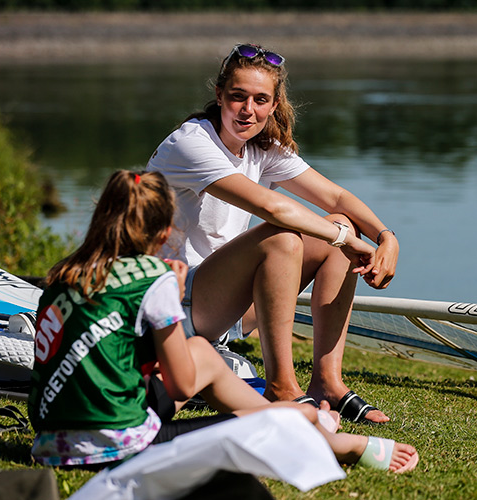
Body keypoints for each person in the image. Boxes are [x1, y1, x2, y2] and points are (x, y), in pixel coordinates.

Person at [27, 170, 417, 474]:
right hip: (115, 447)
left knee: (200, 352)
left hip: (47, 441)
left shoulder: (64, 275)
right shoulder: (153, 277)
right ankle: (341, 443)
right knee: (282, 412)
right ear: (165, 232)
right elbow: (181, 381)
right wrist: (169, 301)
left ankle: (293, 412)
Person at [147, 43, 400, 424]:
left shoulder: (262, 147)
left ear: (274, 104)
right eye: (238, 97)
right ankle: (283, 386)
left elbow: (336, 196)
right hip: (173, 305)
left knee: (340, 225)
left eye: (260, 100)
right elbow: (272, 208)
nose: (248, 110)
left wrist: (385, 236)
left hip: (223, 306)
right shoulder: (190, 144)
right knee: (286, 237)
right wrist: (348, 241)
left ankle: (327, 383)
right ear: (219, 96)